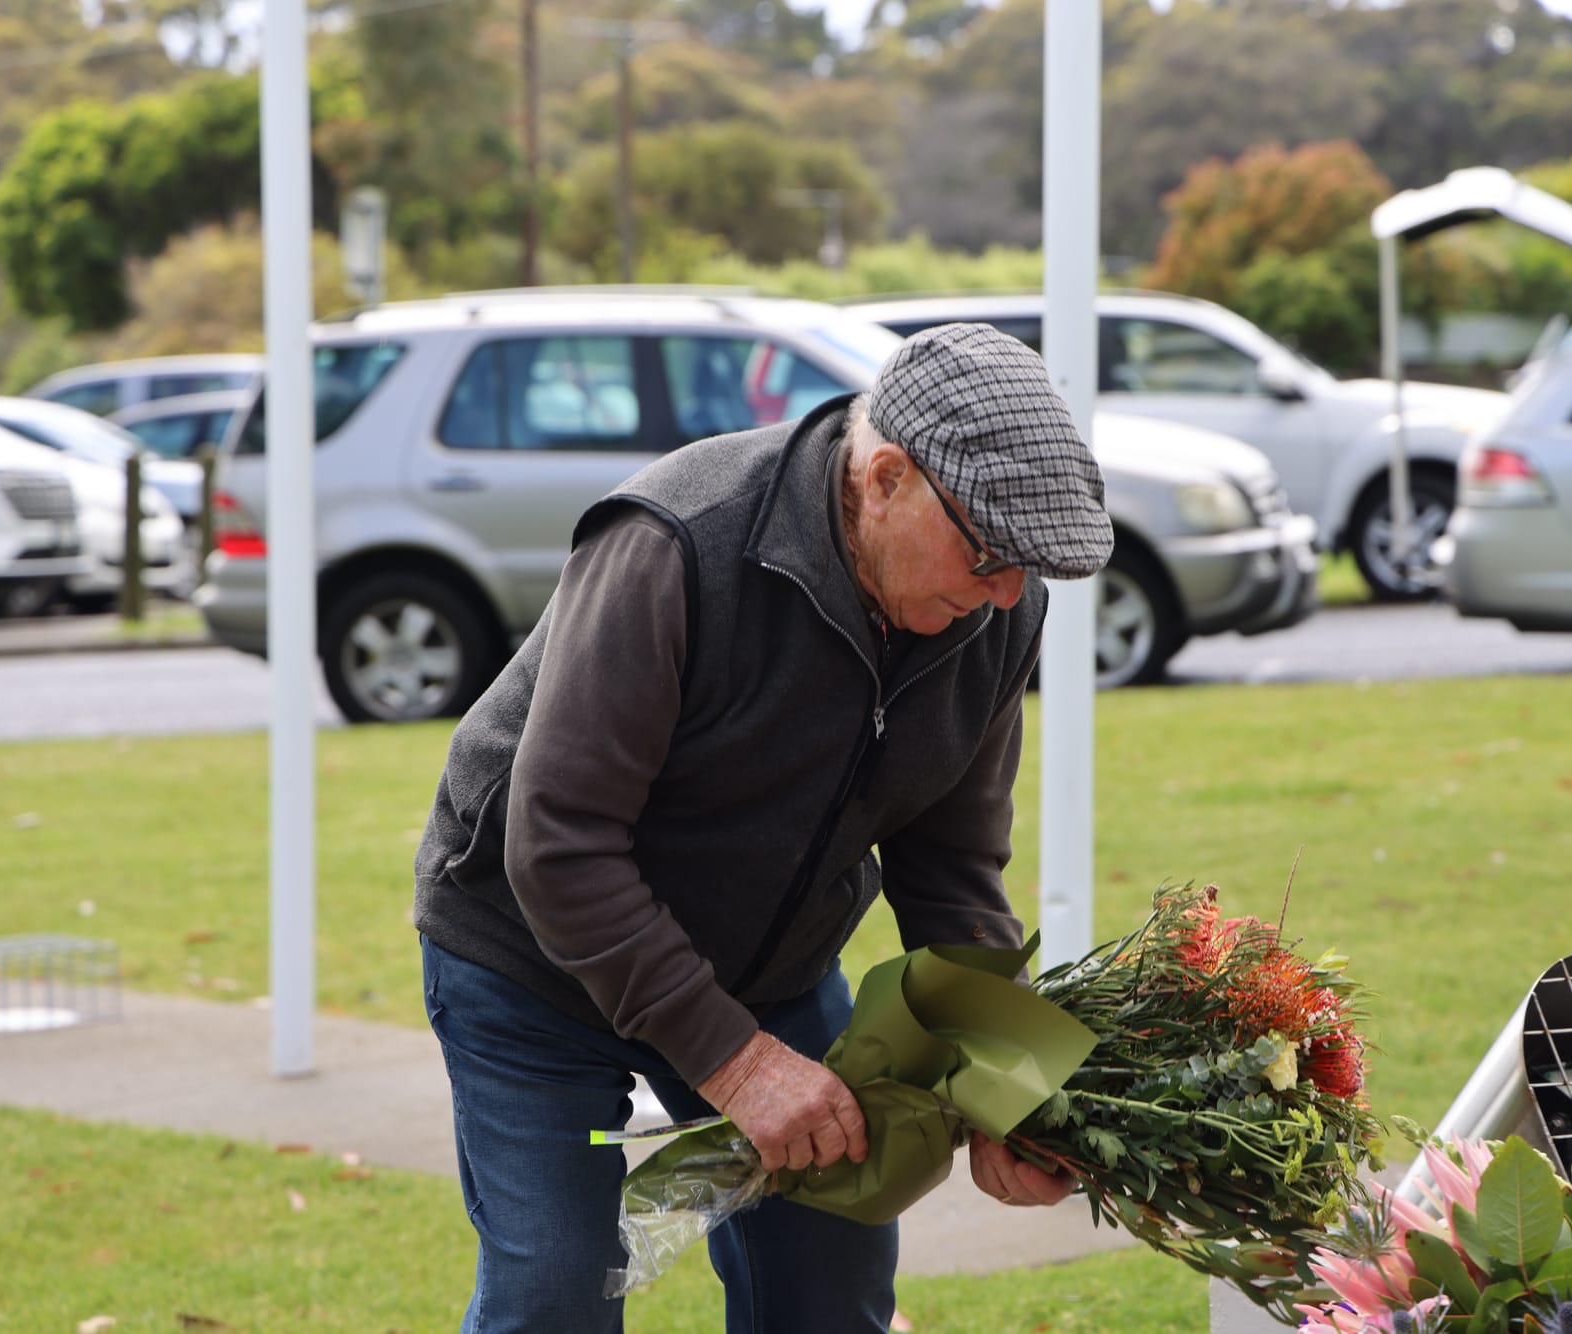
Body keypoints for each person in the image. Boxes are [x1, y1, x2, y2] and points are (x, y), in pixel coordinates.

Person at [413, 323, 1114, 1333]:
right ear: (884, 479)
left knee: (830, 1278)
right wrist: (736, 1065)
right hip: (530, 956)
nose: (1008, 590)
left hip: (766, 963)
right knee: (553, 1289)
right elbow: (558, 840)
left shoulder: (986, 609)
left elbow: (951, 865)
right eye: (991, 552)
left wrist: (1014, 1091)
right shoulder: (676, 541)